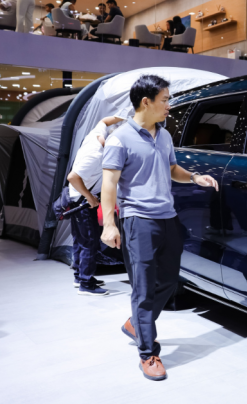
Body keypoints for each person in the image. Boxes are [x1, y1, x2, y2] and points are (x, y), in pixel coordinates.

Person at [101, 75, 218, 381]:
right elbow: (109, 183)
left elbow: (171, 168)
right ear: (146, 102)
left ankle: (136, 323)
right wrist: (109, 224)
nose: (169, 106)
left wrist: (194, 177)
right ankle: (148, 353)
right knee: (143, 287)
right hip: (138, 220)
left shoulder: (163, 135)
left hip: (168, 217)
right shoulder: (119, 139)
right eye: (165, 100)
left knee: (167, 281)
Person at [67, 115, 125, 295]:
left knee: (80, 240)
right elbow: (72, 177)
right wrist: (90, 198)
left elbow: (104, 121)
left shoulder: (97, 133)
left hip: (76, 199)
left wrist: (126, 118)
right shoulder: (95, 154)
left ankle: (79, 277)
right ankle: (86, 284)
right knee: (90, 242)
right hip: (82, 202)